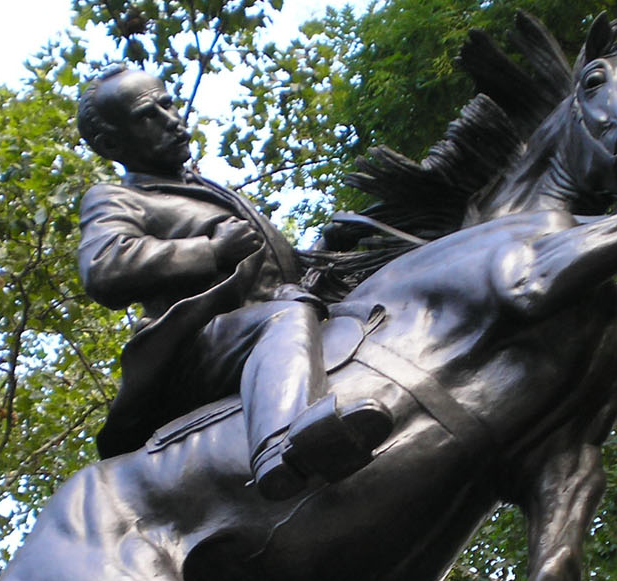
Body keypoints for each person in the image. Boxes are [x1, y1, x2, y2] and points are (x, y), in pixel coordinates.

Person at [76, 66, 391, 499]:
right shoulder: (116, 198)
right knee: (285, 316)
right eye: (148, 115)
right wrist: (210, 250)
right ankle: (282, 447)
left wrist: (327, 248)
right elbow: (104, 265)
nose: (171, 118)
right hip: (200, 351)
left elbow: (272, 279)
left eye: (167, 103)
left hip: (269, 324)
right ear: (112, 143)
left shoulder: (202, 189)